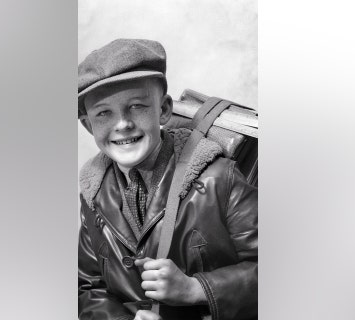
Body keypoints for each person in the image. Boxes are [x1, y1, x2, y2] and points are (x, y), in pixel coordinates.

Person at [78, 39, 258, 320]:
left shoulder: (220, 179)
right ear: (88, 125)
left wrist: (195, 288)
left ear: (163, 109)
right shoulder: (93, 193)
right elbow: (88, 287)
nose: (122, 124)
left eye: (136, 106)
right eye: (103, 113)